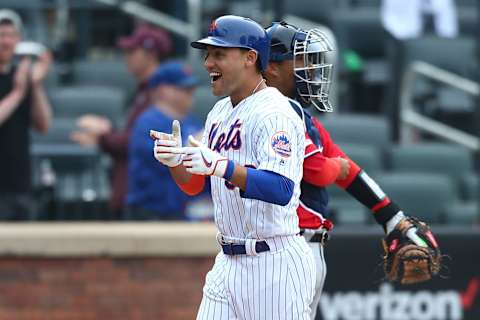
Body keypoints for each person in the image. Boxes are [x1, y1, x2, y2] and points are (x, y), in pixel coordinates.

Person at [263, 21, 440, 319]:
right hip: (280, 249)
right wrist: (337, 166)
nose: (310, 70)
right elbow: (319, 171)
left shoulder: (301, 116)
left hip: (302, 248)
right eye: (301, 60)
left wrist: (390, 216)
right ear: (272, 67)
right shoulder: (270, 112)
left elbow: (348, 169)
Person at [151, 15, 315, 319]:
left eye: (219, 54)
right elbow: (193, 185)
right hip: (227, 261)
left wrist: (223, 167)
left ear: (250, 58)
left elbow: (281, 189)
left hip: (273, 262)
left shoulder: (275, 112)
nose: (208, 63)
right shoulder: (219, 112)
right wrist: (175, 162)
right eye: (208, 54)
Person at [71, 24, 172, 217]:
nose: (127, 56)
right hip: (135, 193)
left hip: (148, 197)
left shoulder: (161, 92)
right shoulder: (143, 91)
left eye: (133, 51)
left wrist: (102, 136)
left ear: (150, 55)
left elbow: (140, 141)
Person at [126, 61, 202, 220]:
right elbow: (166, 159)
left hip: (185, 213)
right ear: (162, 90)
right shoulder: (147, 122)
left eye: (191, 89)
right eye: (183, 89)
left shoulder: (193, 122)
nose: (190, 93)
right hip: (150, 213)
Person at [0, 9, 53, 220]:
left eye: (10, 35)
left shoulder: (21, 77)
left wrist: (35, 85)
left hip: (19, 185)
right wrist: (18, 92)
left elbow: (44, 125)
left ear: (19, 40)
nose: (5, 41)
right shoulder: (18, 85)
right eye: (1, 35)